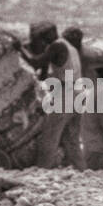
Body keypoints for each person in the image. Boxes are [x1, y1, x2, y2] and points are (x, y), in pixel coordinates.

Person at [35, 38, 85, 169]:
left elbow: (35, 63)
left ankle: (42, 170)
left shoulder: (56, 46)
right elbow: (44, 74)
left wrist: (19, 49)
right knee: (72, 140)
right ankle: (83, 171)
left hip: (65, 96)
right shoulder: (72, 48)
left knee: (50, 136)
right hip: (78, 94)